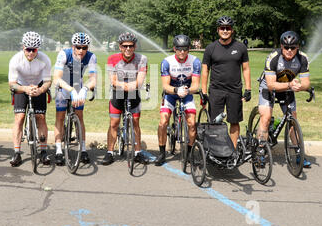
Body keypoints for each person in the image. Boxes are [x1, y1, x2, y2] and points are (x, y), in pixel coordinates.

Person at [256, 31, 311, 167]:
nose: (289, 50)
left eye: (293, 47)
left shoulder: (303, 58)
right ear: (281, 46)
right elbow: (270, 84)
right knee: (266, 117)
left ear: (298, 47)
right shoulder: (273, 58)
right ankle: (260, 152)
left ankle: (298, 153)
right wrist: (290, 85)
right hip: (269, 88)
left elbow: (306, 83)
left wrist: (300, 86)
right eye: (286, 47)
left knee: (292, 119)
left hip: (287, 88)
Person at [201, 15, 251, 149]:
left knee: (234, 122)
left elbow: (245, 69)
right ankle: (216, 150)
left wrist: (248, 89)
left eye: (227, 28)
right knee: (215, 123)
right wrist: (204, 92)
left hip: (234, 90)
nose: (225, 31)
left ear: (232, 30)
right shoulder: (210, 48)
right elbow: (205, 71)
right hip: (216, 90)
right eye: (222, 28)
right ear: (218, 30)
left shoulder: (240, 47)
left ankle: (233, 151)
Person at [155, 35, 201, 166]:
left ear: (189, 49)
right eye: (179, 49)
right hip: (171, 93)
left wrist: (187, 91)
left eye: (185, 49)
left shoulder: (195, 61)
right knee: (163, 122)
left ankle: (189, 153)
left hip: (187, 93)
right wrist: (176, 91)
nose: (182, 52)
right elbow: (165, 86)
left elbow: (196, 85)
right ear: (174, 49)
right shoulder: (167, 62)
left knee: (192, 123)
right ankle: (162, 153)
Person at [104, 32, 149, 165]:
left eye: (131, 46)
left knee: (135, 121)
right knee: (114, 123)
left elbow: (140, 80)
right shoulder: (112, 58)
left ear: (135, 46)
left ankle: (137, 152)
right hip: (118, 91)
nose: (128, 49)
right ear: (120, 47)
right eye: (125, 46)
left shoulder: (142, 59)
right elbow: (112, 80)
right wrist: (121, 85)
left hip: (133, 91)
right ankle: (110, 152)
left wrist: (133, 85)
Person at [53, 32, 97, 166]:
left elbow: (93, 79)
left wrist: (85, 89)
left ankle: (83, 149)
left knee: (80, 116)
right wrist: (70, 90)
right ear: (73, 47)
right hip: (63, 85)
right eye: (78, 47)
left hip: (78, 86)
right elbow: (57, 78)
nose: (81, 50)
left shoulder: (91, 57)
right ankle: (59, 150)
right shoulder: (64, 54)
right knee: (60, 117)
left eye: (84, 48)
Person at [8, 32, 52, 167]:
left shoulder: (45, 59)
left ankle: (43, 151)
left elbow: (48, 81)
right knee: (20, 117)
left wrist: (40, 90)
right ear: (23, 47)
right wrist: (25, 89)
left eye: (34, 50)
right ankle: (16, 153)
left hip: (38, 86)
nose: (31, 53)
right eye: (28, 49)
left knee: (41, 117)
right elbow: (12, 84)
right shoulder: (15, 60)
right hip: (21, 86)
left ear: (38, 49)